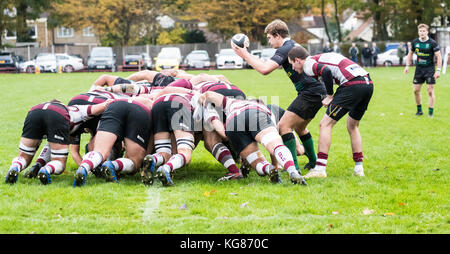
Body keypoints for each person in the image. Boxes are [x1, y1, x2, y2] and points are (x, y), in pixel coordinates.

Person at [231, 19, 320, 173]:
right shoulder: (292, 46)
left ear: (277, 35)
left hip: (310, 92)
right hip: (316, 91)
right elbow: (266, 63)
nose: (269, 42)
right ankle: (313, 162)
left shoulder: (286, 48)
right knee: (300, 127)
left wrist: (244, 54)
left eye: (270, 38)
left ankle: (294, 168)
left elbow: (265, 69)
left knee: (284, 126)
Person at [288, 49, 374, 178]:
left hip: (352, 84)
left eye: (292, 64)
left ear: (298, 60)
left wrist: (329, 95)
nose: (293, 68)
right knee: (352, 126)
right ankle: (359, 168)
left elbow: (326, 71)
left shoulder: (308, 64)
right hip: (367, 83)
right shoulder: (319, 58)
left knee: (325, 124)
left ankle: (320, 169)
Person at [200, 91, 307, 185]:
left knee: (257, 161)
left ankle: (267, 168)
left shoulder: (230, 102)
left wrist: (203, 101)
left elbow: (209, 94)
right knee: (275, 145)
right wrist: (276, 164)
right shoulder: (266, 108)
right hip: (255, 114)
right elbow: (273, 149)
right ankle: (293, 171)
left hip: (232, 122)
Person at [5, 99, 113, 185]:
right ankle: (46, 169)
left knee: (24, 157)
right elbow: (104, 105)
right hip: (57, 115)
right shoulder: (77, 109)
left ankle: (15, 167)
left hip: (34, 112)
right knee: (60, 163)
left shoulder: (43, 106)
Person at [72, 96, 153, 186]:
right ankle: (113, 165)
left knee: (100, 151)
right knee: (134, 162)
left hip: (115, 105)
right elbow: (151, 137)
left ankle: (84, 167)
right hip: (139, 110)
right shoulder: (153, 102)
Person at [404, 23, 442, 117]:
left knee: (430, 90)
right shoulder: (415, 42)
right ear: (418, 32)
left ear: (427, 32)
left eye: (423, 31)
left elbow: (439, 56)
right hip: (419, 69)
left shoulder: (432, 43)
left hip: (430, 69)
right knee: (416, 90)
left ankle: (430, 112)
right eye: (420, 31)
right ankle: (419, 110)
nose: (422, 33)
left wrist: (438, 70)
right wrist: (407, 66)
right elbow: (410, 54)